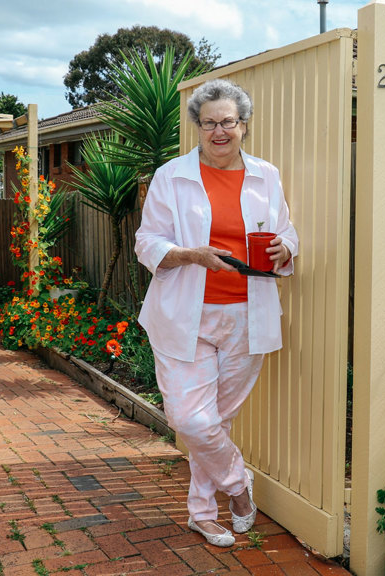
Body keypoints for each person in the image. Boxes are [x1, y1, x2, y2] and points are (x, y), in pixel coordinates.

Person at [135, 78, 298, 547]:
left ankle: (202, 513)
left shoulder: (266, 174)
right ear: (198, 129)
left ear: (243, 126)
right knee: (192, 420)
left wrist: (285, 249)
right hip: (184, 314)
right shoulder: (172, 176)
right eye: (209, 123)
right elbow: (147, 242)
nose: (219, 131)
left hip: (247, 314)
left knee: (217, 421)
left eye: (228, 122)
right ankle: (237, 486)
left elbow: (287, 232)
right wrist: (189, 254)